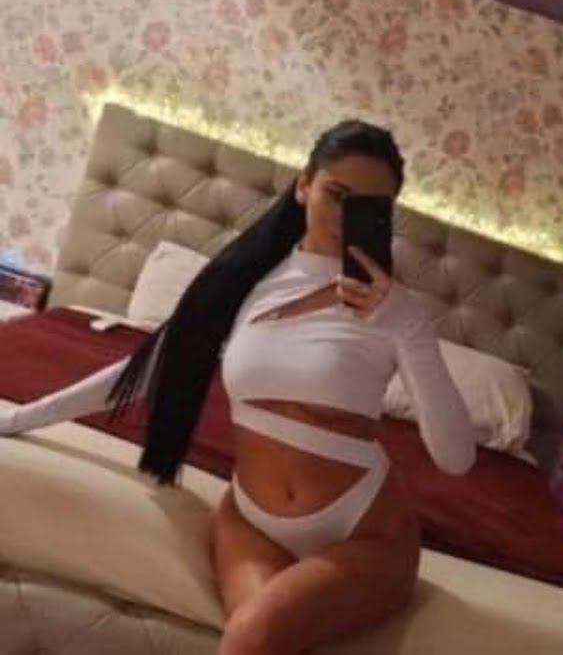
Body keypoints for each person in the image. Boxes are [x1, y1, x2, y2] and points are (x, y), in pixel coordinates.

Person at [0, 119, 476, 655]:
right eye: (336, 195)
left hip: (364, 530)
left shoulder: (394, 311)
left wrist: (409, 328)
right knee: (259, 638)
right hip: (252, 522)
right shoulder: (245, 281)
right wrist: (16, 418)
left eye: (368, 207)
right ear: (304, 185)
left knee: (254, 635)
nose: (345, 217)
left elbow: (455, 458)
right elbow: (146, 371)